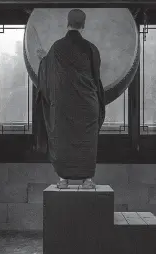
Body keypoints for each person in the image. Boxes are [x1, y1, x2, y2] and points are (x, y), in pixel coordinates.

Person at [34, 9, 105, 189]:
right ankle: (88, 180)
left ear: (68, 23)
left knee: (62, 138)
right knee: (87, 141)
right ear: (84, 25)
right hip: (87, 104)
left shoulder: (56, 47)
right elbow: (96, 77)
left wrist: (43, 60)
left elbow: (48, 75)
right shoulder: (91, 48)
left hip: (63, 104)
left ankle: (63, 180)